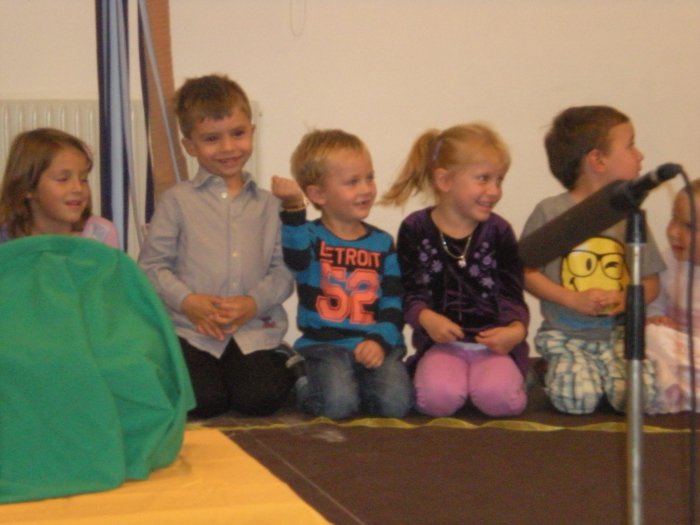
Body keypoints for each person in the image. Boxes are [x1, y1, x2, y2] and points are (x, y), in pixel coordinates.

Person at [138, 74, 298, 418]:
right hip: (192, 329)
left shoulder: (270, 205)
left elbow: (284, 270)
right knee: (203, 402)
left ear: (252, 132)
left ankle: (286, 360)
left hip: (252, 329)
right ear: (189, 146)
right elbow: (151, 266)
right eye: (212, 138)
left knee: (261, 400)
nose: (227, 148)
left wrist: (253, 303)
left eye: (237, 134)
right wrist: (188, 301)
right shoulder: (176, 201)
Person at [521, 105, 665, 415]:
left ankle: (600, 376)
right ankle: (553, 369)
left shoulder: (630, 215)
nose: (640, 155)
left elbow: (651, 280)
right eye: (630, 145)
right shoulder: (551, 212)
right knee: (578, 402)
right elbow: (524, 270)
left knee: (640, 399)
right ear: (597, 160)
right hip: (566, 335)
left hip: (619, 337)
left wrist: (627, 298)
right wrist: (570, 298)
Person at [381, 123, 529, 418]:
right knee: (436, 401)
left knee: (500, 401)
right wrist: (426, 317)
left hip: (492, 346)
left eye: (499, 180)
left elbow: (512, 293)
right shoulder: (415, 228)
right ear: (445, 180)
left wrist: (515, 331)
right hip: (442, 346)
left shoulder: (499, 231)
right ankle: (462, 383)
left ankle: (504, 378)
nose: (494, 191)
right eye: (483, 179)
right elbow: (409, 291)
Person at [271, 129, 412, 420]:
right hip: (325, 346)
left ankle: (356, 385)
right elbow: (296, 259)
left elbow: (394, 302)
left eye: (369, 178)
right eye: (352, 182)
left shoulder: (383, 242)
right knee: (337, 406)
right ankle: (300, 378)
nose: (366, 189)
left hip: (375, 343)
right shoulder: (310, 236)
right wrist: (293, 208)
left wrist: (379, 341)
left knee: (396, 405)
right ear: (318, 194)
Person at [0, 127, 118, 247]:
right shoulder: (6, 239)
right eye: (63, 179)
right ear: (28, 187)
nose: (78, 188)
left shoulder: (99, 234)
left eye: (83, 179)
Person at [645, 179, 700, 413]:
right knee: (650, 335)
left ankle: (683, 394)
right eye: (673, 219)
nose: (673, 232)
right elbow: (654, 304)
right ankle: (679, 392)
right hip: (677, 354)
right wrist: (657, 319)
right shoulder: (668, 261)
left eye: (688, 226)